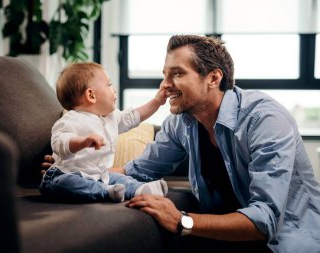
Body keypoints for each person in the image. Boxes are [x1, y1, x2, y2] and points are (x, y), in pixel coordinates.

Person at [122, 34, 320, 252]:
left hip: (286, 243)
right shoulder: (181, 124)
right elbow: (137, 170)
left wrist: (182, 220)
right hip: (225, 241)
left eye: (177, 73)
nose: (165, 85)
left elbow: (265, 220)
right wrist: (83, 175)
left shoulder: (265, 120)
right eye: (165, 75)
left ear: (214, 78)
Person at [39, 62, 168, 203]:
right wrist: (83, 142)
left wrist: (156, 102)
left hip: (99, 175)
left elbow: (134, 116)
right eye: (109, 84)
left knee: (120, 179)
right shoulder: (70, 119)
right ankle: (105, 192)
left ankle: (140, 190)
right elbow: (59, 142)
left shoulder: (111, 118)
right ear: (91, 95)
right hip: (67, 173)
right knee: (64, 182)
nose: (114, 90)